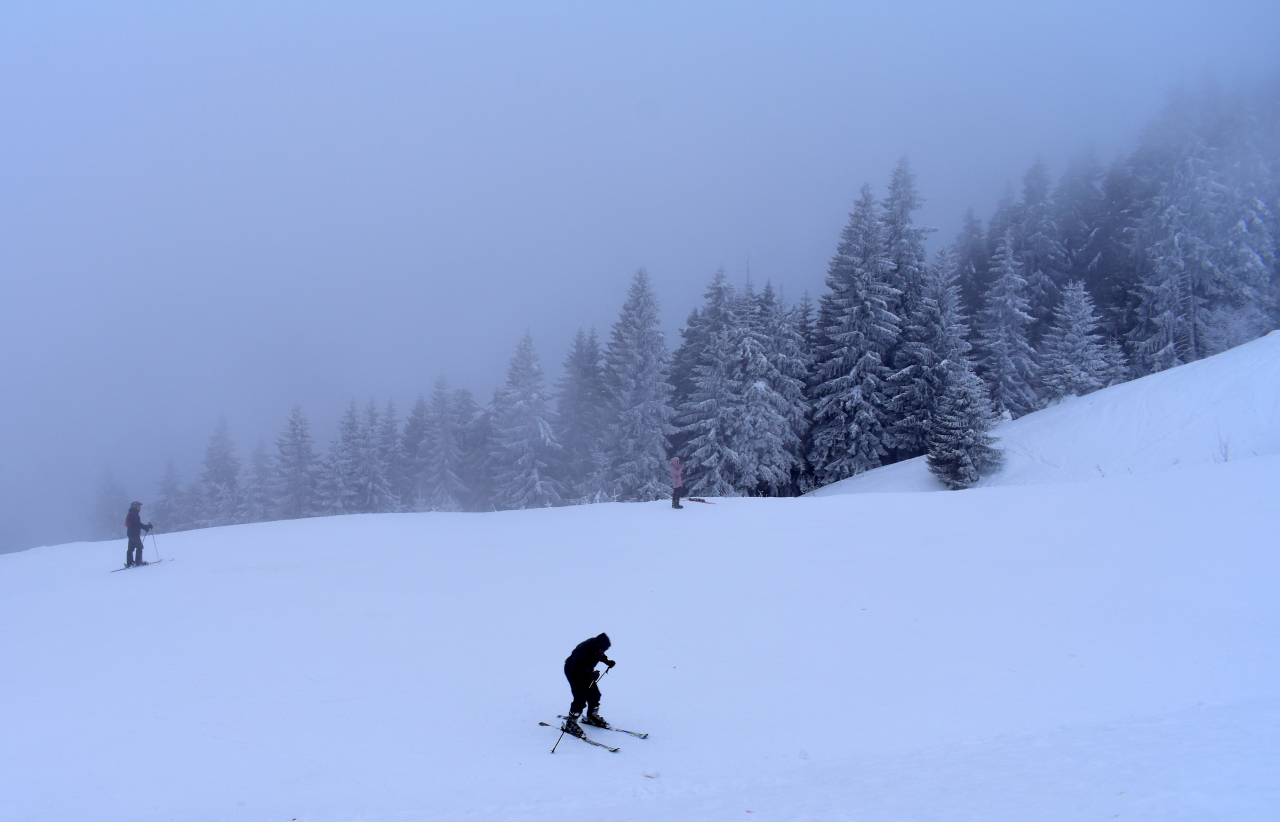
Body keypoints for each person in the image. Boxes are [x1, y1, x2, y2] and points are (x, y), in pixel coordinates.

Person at [563, 632, 615, 732]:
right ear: (597, 646)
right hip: (573, 671)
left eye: (605, 649)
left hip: (586, 671)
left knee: (595, 694)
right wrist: (589, 675)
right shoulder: (584, 649)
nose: (603, 651)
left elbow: (600, 655)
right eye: (602, 649)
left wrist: (607, 661)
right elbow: (575, 666)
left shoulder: (598, 648)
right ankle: (571, 723)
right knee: (580, 697)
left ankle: (592, 716)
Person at [125, 501, 154, 567]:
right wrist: (147, 527)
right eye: (138, 507)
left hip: (131, 533)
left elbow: (136, 524)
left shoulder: (131, 513)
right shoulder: (134, 514)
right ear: (135, 507)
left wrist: (146, 527)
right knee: (139, 547)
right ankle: (138, 561)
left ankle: (130, 563)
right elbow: (137, 524)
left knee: (131, 549)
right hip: (134, 534)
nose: (140, 508)